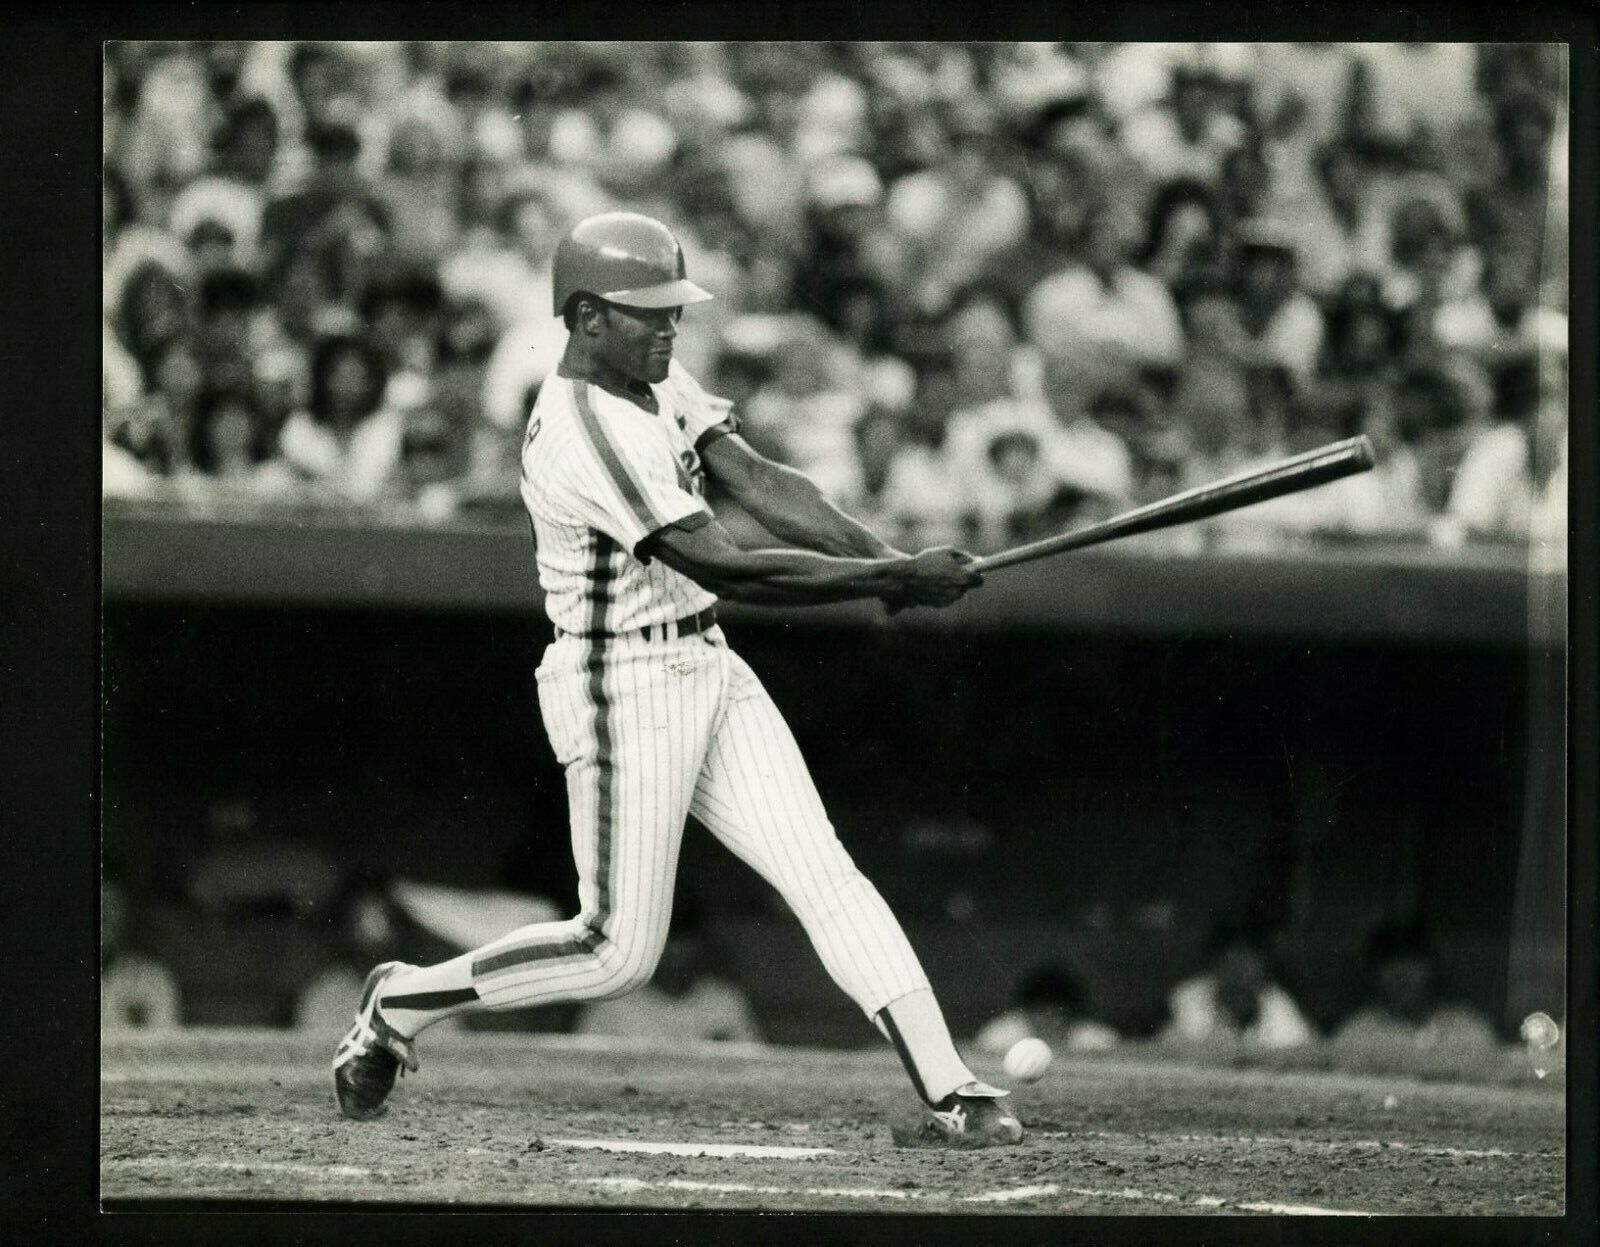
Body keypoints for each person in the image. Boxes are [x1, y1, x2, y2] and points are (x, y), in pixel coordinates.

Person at [332, 211, 1021, 1148]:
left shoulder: (651, 374)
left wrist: (887, 560)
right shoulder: (582, 429)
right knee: (616, 952)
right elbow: (725, 560)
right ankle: (402, 999)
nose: (670, 329)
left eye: (674, 313)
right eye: (649, 314)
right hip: (622, 682)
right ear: (584, 317)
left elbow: (754, 480)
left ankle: (952, 1088)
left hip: (705, 661)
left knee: (824, 873)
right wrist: (887, 582)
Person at [576, 894, 762, 1044]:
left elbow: (754, 1073)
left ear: (700, 944)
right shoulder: (613, 1005)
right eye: (665, 941)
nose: (674, 952)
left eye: (683, 940)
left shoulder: (724, 1002)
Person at [1331, 919, 1498, 1070]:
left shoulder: (1469, 1032)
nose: (1402, 973)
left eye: (1412, 961)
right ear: (1373, 972)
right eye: (1390, 962)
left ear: (1432, 967)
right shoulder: (1356, 1036)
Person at [1162, 916, 1315, 1049]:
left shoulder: (1279, 1005)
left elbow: (1300, 1050)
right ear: (1216, 965)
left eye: (1248, 963)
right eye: (1232, 963)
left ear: (1261, 967)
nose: (1239, 973)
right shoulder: (1187, 998)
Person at [975, 962, 1119, 1056]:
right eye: (1041, 1013)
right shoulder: (997, 1038)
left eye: (1057, 1014)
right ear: (1025, 1011)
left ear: (1072, 1013)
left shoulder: (1098, 1041)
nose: (1050, 1021)